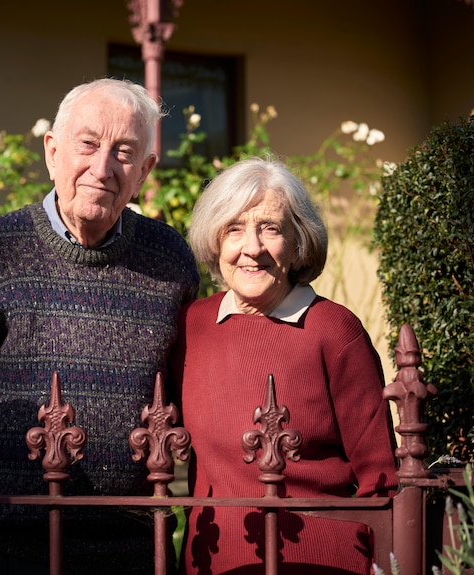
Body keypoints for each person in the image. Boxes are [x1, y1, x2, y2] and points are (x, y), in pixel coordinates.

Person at [0, 78, 200, 575]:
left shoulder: (171, 260)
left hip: (128, 553)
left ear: (144, 171)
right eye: (88, 144)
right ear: (52, 152)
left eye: (124, 152)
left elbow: (193, 396)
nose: (102, 168)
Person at [170, 156, 398, 575]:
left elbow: (379, 478)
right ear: (215, 242)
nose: (251, 248)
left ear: (296, 244)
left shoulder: (333, 329)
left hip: (321, 564)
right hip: (213, 563)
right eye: (234, 228)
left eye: (270, 228)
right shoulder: (192, 325)